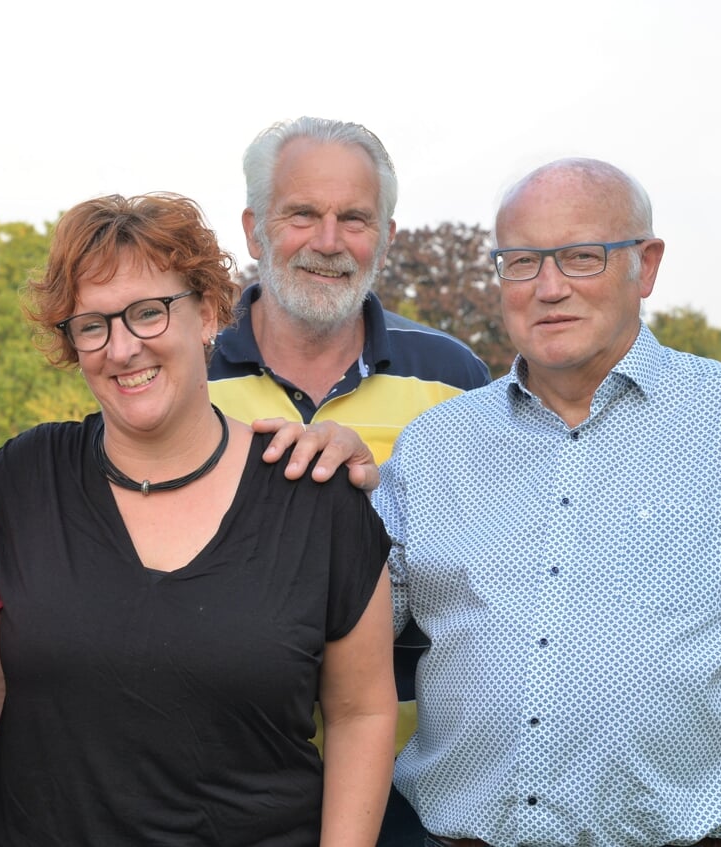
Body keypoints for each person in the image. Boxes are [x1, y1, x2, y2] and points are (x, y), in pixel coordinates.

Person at [372, 157, 721, 846]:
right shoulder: (436, 446)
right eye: (521, 261)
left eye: (580, 257)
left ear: (644, 265)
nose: (547, 287)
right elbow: (336, 624)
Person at [0, 193, 396, 845]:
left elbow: (360, 711)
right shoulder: (20, 482)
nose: (122, 346)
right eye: (92, 324)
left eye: (148, 312)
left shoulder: (316, 499)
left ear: (208, 312)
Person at [208, 116, 493, 844]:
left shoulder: (456, 380)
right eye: (302, 213)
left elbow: (494, 583)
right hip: (218, 779)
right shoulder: (185, 378)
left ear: (386, 236)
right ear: (253, 228)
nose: (328, 241)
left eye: (354, 219)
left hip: (420, 788)